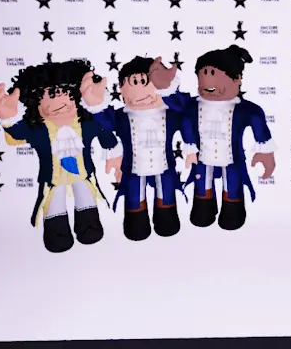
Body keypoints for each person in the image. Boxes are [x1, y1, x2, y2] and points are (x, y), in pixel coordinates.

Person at [0, 59, 122, 253]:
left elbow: (104, 131)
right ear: (34, 102)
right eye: (50, 95)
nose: (61, 102)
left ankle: (89, 226)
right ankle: (57, 233)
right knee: (54, 203)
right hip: (52, 180)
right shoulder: (38, 130)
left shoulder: (86, 124)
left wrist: (115, 156)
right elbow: (18, 133)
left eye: (67, 94)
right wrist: (9, 117)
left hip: (84, 174)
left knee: (86, 197)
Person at [80, 56, 197, 241]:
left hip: (165, 166)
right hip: (133, 169)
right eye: (133, 83)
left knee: (166, 196)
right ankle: (136, 224)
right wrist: (96, 104)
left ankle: (167, 221)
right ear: (121, 89)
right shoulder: (122, 117)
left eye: (146, 82)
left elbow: (186, 113)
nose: (141, 90)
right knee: (134, 199)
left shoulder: (170, 113)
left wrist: (190, 147)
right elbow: (106, 122)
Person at [165, 45, 277, 231]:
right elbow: (176, 106)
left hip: (232, 158)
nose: (207, 80)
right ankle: (203, 209)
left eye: (213, 73)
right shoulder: (192, 106)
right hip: (202, 158)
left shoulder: (244, 109)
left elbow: (258, 122)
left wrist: (265, 153)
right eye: (203, 74)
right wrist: (165, 85)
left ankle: (233, 213)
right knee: (202, 184)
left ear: (237, 79)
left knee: (233, 185)